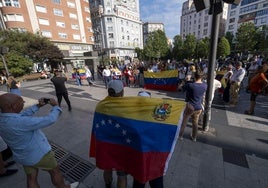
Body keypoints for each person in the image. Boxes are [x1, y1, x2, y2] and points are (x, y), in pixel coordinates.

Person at [0, 93, 79, 188]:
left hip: (23, 156)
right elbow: (50, 119)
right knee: (55, 171)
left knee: (31, 177)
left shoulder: (3, 118)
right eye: (21, 102)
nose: (24, 102)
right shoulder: (21, 122)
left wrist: (37, 106)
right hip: (39, 154)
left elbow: (21, 115)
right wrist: (56, 106)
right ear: (14, 106)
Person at [98, 80, 127, 188]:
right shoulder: (126, 108)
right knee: (122, 174)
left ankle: (108, 186)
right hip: (120, 146)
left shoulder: (100, 105)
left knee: (107, 168)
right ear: (122, 92)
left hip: (105, 144)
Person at [132, 91, 164, 188]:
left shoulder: (131, 117)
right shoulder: (158, 118)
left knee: (139, 183)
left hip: (142, 159)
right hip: (152, 159)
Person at [179, 70, 207, 142]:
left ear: (194, 76)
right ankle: (194, 137)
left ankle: (180, 136)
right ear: (202, 77)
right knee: (195, 123)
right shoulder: (205, 85)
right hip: (198, 107)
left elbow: (180, 88)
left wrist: (185, 80)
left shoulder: (190, 85)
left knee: (184, 121)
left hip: (190, 106)